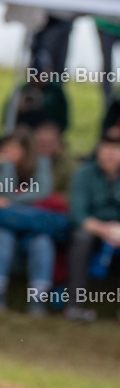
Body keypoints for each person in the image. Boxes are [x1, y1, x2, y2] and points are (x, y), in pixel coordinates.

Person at [0, 131, 60, 315]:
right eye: (4, 148)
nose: (6, 151)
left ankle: (37, 300)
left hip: (33, 225)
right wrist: (6, 167)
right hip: (7, 225)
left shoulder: (41, 163)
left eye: (12, 148)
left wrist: (13, 202)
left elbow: (42, 191)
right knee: (0, 237)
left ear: (25, 150)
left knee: (42, 243)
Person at [63, 125, 120, 322]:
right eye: (106, 148)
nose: (110, 155)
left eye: (115, 149)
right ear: (98, 150)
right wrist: (106, 230)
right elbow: (78, 214)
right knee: (81, 238)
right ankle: (74, 306)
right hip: (91, 230)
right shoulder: (83, 173)